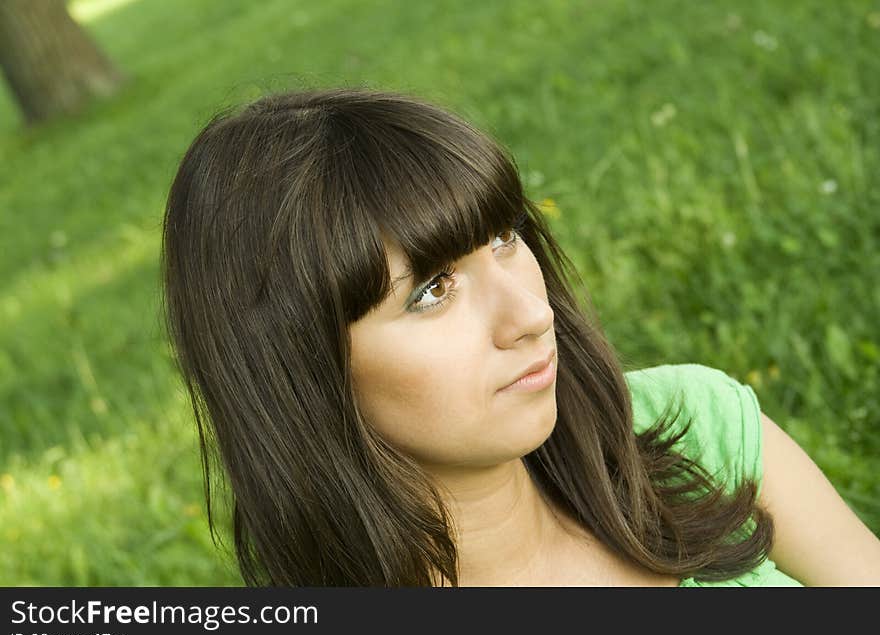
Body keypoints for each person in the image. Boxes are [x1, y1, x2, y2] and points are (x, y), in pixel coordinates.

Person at [160, 87, 880, 587]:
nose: (531, 317)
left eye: (504, 238)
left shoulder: (694, 428)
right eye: (432, 290)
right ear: (298, 372)